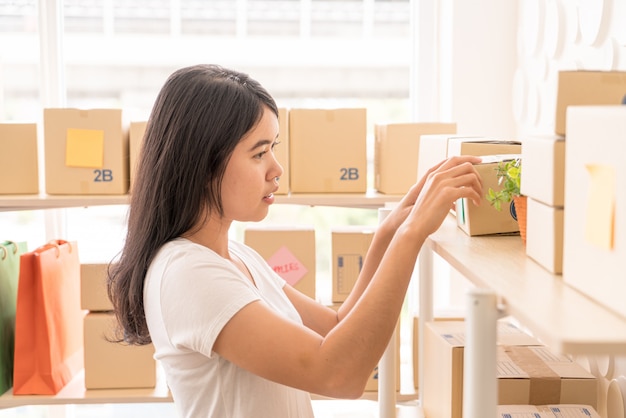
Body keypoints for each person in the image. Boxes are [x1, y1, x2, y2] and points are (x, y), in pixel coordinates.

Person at [107, 63, 483, 418]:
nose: (276, 169)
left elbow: (335, 327)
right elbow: (339, 373)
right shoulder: (188, 274)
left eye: (274, 148)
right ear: (204, 166)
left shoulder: (235, 256)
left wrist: (389, 232)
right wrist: (411, 235)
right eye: (259, 153)